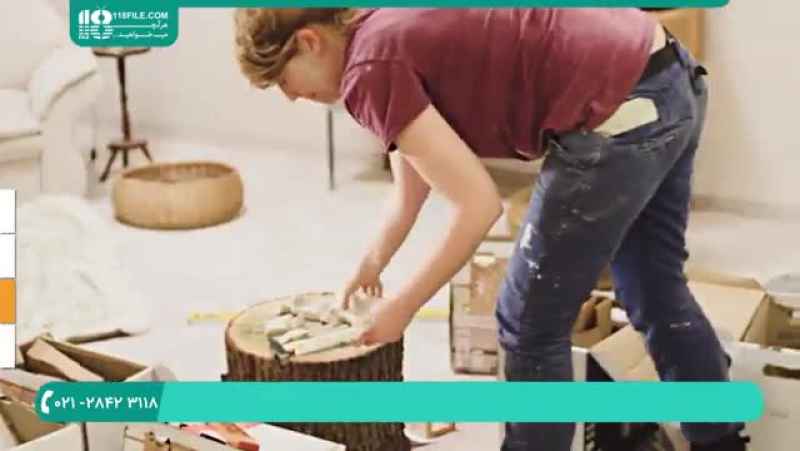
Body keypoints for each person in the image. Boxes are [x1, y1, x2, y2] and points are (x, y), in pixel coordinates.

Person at [233, 8, 749, 451]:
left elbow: (478, 207)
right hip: (666, 74)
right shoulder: (380, 30)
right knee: (654, 287)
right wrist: (372, 263)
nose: (290, 97)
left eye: (281, 79)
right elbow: (412, 184)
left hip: (620, 111)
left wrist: (403, 308)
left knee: (528, 322)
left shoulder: (367, 71)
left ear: (309, 41)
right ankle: (720, 441)